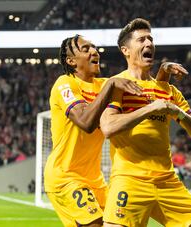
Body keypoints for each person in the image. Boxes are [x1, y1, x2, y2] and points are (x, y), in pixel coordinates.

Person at [100, 18, 191, 227]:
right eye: (141, 40)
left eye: (150, 39)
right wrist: (150, 108)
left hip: (167, 180)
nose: (149, 44)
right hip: (130, 179)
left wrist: (177, 112)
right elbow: (108, 127)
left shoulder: (168, 90)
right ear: (126, 50)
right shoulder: (118, 85)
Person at [44, 34, 143, 227]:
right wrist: (111, 85)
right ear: (71, 61)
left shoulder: (105, 85)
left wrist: (164, 75)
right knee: (96, 223)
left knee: (119, 223)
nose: (93, 51)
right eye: (85, 49)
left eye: (94, 47)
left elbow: (145, 87)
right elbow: (86, 122)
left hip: (95, 181)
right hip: (65, 177)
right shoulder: (65, 83)